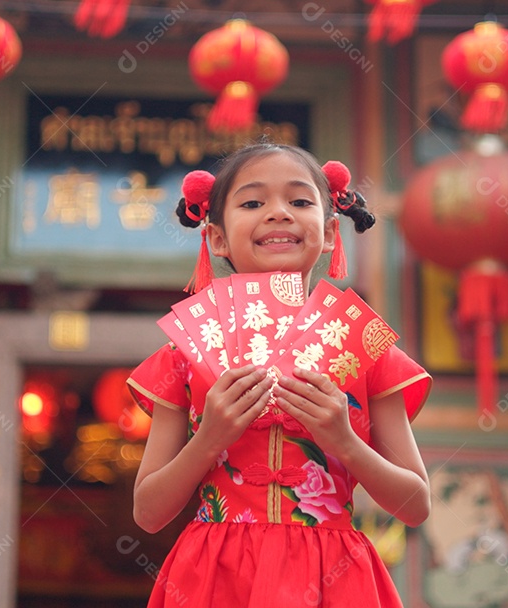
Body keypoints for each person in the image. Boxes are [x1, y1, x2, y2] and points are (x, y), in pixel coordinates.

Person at [127, 143, 432, 607]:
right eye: (252, 203)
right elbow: (148, 513)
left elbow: (415, 506)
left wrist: (343, 442)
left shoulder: (366, 347)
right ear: (216, 238)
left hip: (332, 574)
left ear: (330, 231)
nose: (278, 214)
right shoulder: (185, 355)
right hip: (216, 571)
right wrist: (209, 437)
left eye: (300, 201)